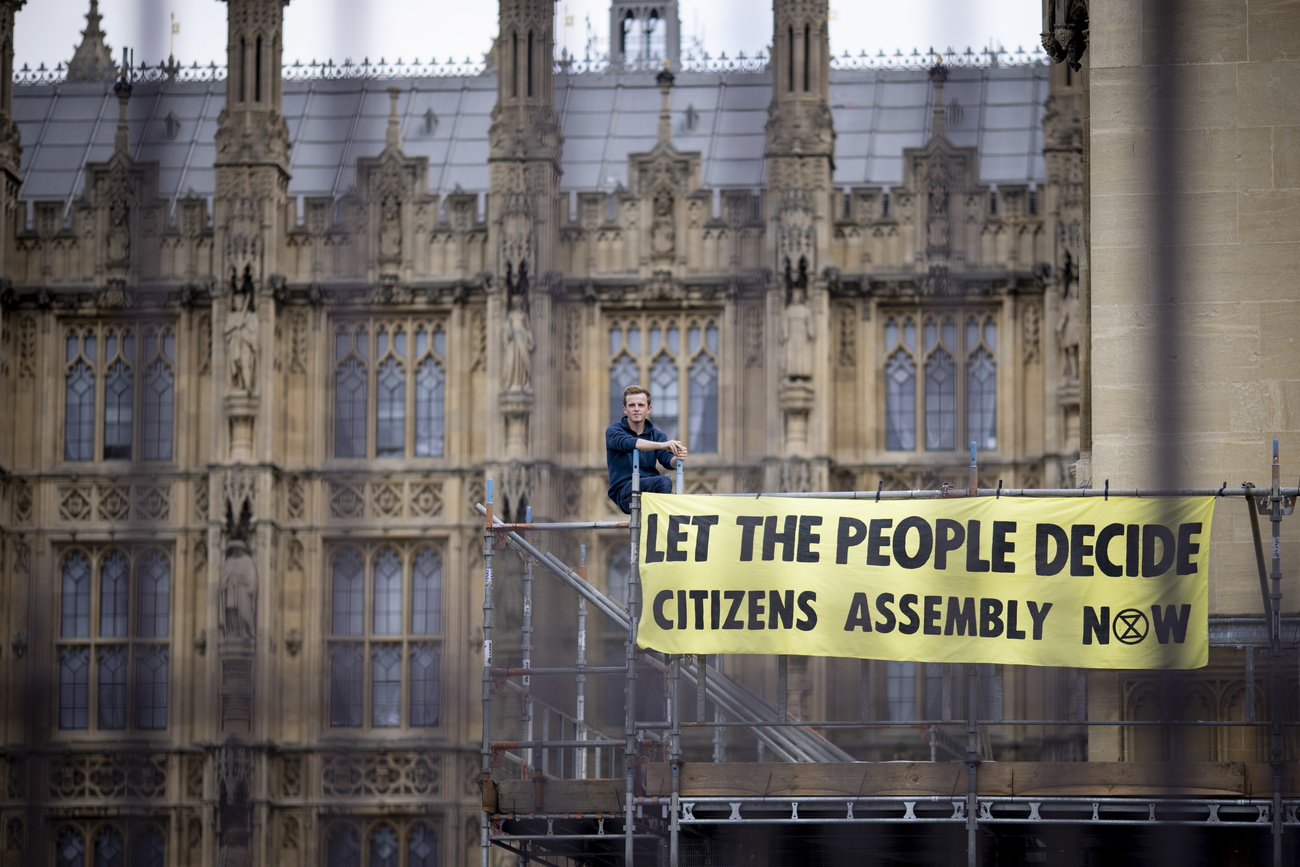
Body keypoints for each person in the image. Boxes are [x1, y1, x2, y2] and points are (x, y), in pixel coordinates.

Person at [606, 385, 687, 514]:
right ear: (625, 409)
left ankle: (659, 525)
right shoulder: (613, 431)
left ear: (648, 409)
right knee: (663, 482)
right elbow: (629, 443)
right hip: (625, 491)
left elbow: (668, 461)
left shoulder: (657, 434)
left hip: (652, 486)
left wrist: (678, 457)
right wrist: (661, 445)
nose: (636, 409)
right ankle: (662, 526)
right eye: (632, 405)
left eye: (641, 405)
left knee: (667, 487)